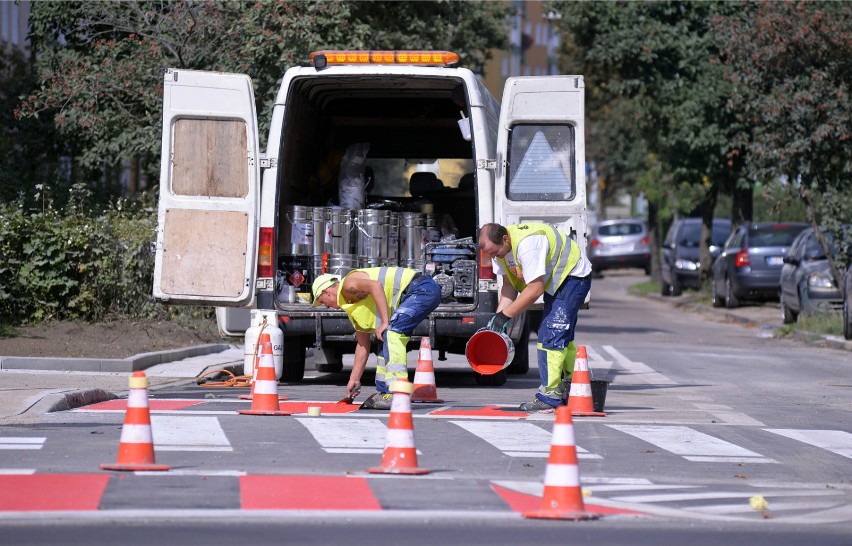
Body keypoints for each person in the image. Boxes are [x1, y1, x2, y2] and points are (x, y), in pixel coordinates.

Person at [477, 222, 592, 412]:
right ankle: (574, 387)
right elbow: (509, 286)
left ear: (505, 239)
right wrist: (497, 320)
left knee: (550, 335)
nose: (493, 257)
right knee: (561, 335)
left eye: (494, 252)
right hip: (558, 281)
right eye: (489, 253)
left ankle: (550, 397)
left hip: (573, 277)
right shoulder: (501, 251)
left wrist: (506, 316)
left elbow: (535, 289)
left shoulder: (528, 244)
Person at [311, 267, 442, 410]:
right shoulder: (352, 307)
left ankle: (397, 392)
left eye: (322, 301)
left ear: (326, 292)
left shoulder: (348, 284)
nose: (326, 306)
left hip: (422, 289)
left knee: (392, 333)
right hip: (417, 292)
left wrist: (385, 321)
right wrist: (354, 379)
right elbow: (362, 345)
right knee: (384, 338)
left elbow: (376, 286)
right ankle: (383, 392)